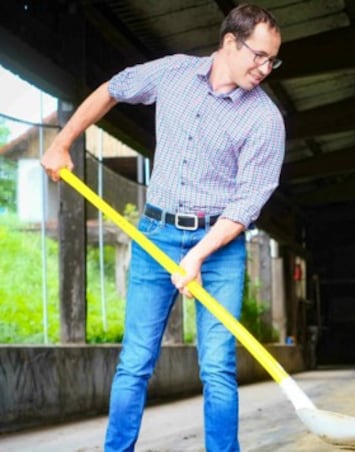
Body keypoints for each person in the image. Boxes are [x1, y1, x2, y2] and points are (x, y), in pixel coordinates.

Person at [40, 4, 284, 451]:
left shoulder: (264, 119)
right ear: (230, 42)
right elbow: (113, 89)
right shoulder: (172, 73)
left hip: (221, 247)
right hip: (156, 235)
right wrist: (61, 141)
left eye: (273, 60)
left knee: (217, 367)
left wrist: (197, 255)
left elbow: (248, 201)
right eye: (259, 56)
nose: (266, 69)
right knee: (134, 362)